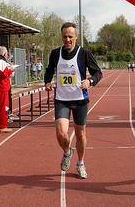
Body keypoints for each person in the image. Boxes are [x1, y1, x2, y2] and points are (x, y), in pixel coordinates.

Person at [44, 22, 102, 179]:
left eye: (70, 36)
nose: (67, 39)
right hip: (61, 99)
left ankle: (81, 163)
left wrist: (90, 81)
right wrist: (47, 82)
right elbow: (49, 70)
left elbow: (98, 72)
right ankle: (67, 151)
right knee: (61, 133)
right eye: (65, 36)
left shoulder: (84, 53)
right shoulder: (56, 53)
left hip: (80, 100)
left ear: (76, 36)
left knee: (80, 134)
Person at [0, 46, 16, 133]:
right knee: (4, 107)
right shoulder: (0, 62)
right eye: (7, 53)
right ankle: (3, 126)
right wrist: (11, 70)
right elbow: (4, 74)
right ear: (5, 53)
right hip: (2, 87)